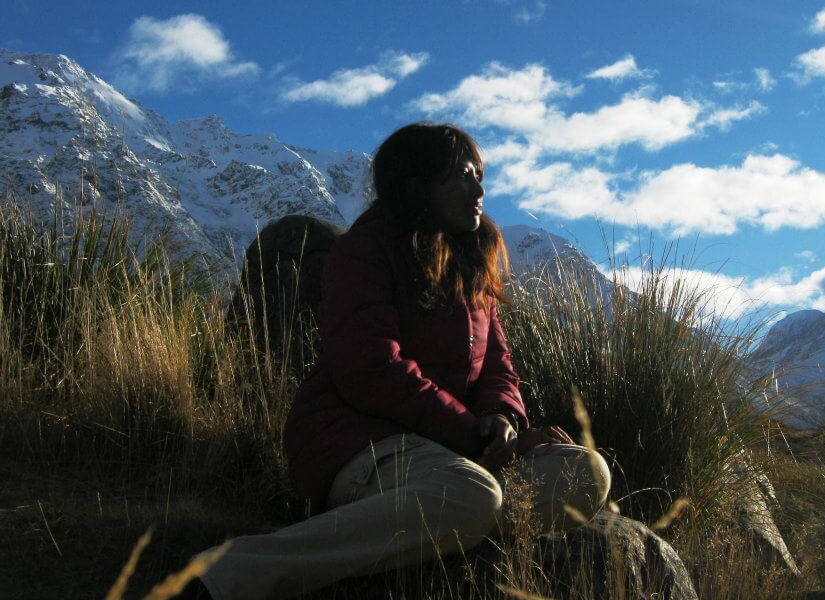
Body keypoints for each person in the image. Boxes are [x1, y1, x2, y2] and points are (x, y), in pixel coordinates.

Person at [192, 123, 611, 600]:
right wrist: (474, 437)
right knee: (472, 493)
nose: (479, 190)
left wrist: (502, 419)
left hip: (456, 453)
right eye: (463, 176)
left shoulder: (470, 261)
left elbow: (498, 364)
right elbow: (371, 368)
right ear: (418, 183)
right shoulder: (365, 252)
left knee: (586, 471)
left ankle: (433, 529)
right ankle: (229, 574)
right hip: (361, 442)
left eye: (479, 176)